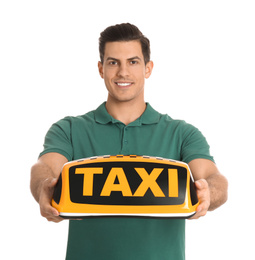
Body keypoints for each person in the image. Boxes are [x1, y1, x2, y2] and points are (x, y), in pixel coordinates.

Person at [30, 23, 228, 260]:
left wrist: (209, 194)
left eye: (133, 62)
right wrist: (43, 186)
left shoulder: (181, 133)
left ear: (148, 68)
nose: (123, 72)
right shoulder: (70, 129)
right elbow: (45, 167)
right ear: (101, 69)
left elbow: (215, 179)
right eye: (113, 62)